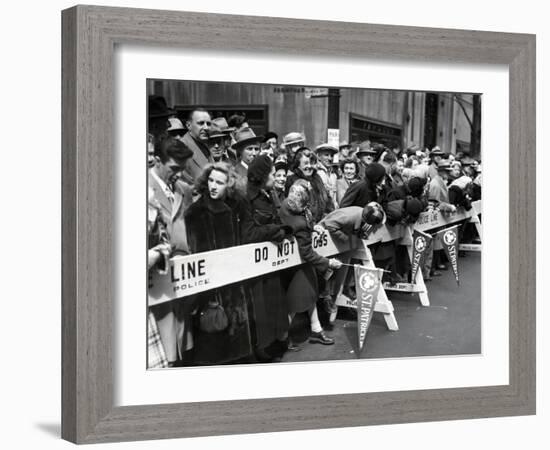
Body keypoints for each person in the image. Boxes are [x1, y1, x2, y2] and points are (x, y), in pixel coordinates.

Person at [184, 163, 254, 365]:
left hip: (235, 288)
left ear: (229, 186)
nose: (213, 186)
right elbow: (198, 255)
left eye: (220, 182)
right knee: (213, 351)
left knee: (237, 352)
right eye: (211, 180)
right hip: (212, 293)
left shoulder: (234, 207)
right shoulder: (195, 213)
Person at [148, 136, 195, 366]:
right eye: (174, 168)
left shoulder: (182, 189)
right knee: (164, 341)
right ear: (157, 160)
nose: (179, 173)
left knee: (180, 336)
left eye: (183, 168)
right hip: (159, 275)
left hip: (183, 272)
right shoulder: (145, 189)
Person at [279, 180, 342, 347]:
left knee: (309, 295)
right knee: (297, 300)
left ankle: (316, 330)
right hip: (297, 265)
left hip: (293, 263)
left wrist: (314, 227)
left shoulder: (287, 205)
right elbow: (307, 253)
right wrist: (328, 262)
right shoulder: (299, 224)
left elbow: (303, 219)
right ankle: (281, 338)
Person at [245, 155, 294, 360]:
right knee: (259, 307)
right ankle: (260, 347)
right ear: (263, 176)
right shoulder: (246, 198)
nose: (276, 176)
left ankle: (275, 340)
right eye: (273, 173)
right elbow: (248, 234)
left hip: (269, 261)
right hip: (253, 263)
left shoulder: (267, 195)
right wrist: (277, 230)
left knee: (274, 303)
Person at [285, 147, 334, 223]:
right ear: (298, 165)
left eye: (312, 163)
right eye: (305, 163)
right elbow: (294, 209)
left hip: (322, 224)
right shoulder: (292, 180)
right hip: (304, 226)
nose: (309, 166)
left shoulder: (317, 178)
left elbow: (328, 202)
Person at [182, 108, 213, 182]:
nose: (206, 128)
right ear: (188, 125)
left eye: (208, 124)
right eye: (201, 123)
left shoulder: (204, 146)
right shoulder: (181, 148)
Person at [314, 143, 339, 208]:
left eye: (332, 155)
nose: (330, 158)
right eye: (326, 155)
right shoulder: (315, 172)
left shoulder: (334, 174)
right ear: (319, 156)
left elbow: (334, 196)